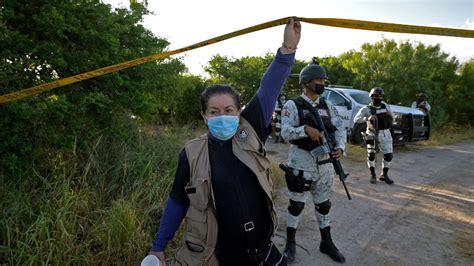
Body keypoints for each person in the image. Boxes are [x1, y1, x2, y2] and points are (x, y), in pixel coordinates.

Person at [148, 18, 301, 266]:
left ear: (239, 112)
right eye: (214, 112)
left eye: (229, 110)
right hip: (220, 257)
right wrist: (158, 247)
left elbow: (269, 87)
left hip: (263, 251)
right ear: (204, 116)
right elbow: (177, 201)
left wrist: (287, 48)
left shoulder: (250, 129)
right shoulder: (191, 153)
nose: (222, 117)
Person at [280, 62, 346, 263]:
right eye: (318, 80)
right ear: (306, 82)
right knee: (296, 205)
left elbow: (340, 128)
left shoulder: (329, 106)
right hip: (302, 164)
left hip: (325, 165)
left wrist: (341, 148)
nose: (322, 83)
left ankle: (326, 242)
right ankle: (290, 243)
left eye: (323, 80)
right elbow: (284, 133)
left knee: (324, 205)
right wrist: (304, 130)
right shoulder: (292, 105)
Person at [353, 87, 395, 185]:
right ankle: (373, 174)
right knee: (371, 154)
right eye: (376, 96)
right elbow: (356, 119)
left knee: (388, 155)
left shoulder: (386, 106)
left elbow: (393, 117)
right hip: (372, 132)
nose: (378, 98)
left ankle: (384, 175)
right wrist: (368, 118)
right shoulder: (366, 109)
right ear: (371, 97)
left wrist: (390, 115)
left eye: (380, 96)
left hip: (386, 133)